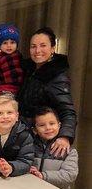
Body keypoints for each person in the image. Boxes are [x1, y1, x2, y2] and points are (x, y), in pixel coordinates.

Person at [17, 27, 76, 158]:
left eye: (43, 45)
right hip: (25, 137)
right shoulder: (29, 71)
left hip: (42, 142)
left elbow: (68, 110)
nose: (37, 51)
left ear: (53, 48)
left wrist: (65, 136)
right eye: (33, 46)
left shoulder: (57, 77)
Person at [30, 107, 78, 189]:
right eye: (42, 125)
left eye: (52, 123)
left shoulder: (69, 151)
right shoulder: (28, 146)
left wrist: (43, 176)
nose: (48, 128)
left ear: (59, 125)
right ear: (35, 130)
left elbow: (69, 175)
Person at [0, 23, 24, 98]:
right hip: (3, 91)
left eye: (12, 42)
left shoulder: (18, 56)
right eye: (5, 43)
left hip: (19, 91)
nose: (9, 46)